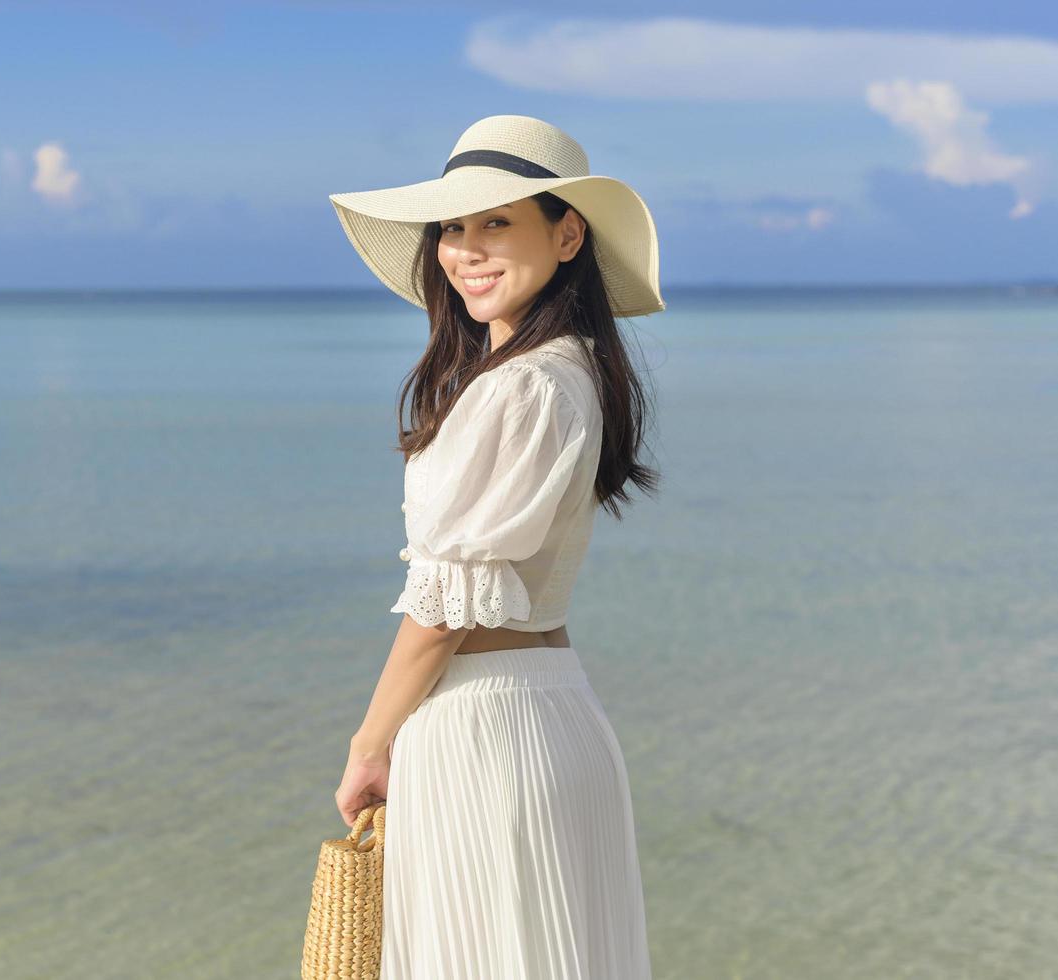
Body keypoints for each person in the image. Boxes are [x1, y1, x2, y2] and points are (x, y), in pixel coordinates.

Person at [327, 115, 664, 979]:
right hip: (541, 711)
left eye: (495, 222)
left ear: (567, 233)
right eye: (452, 227)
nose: (464, 249)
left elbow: (444, 608)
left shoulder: (523, 386)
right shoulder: (568, 370)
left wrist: (370, 745)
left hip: (485, 727)